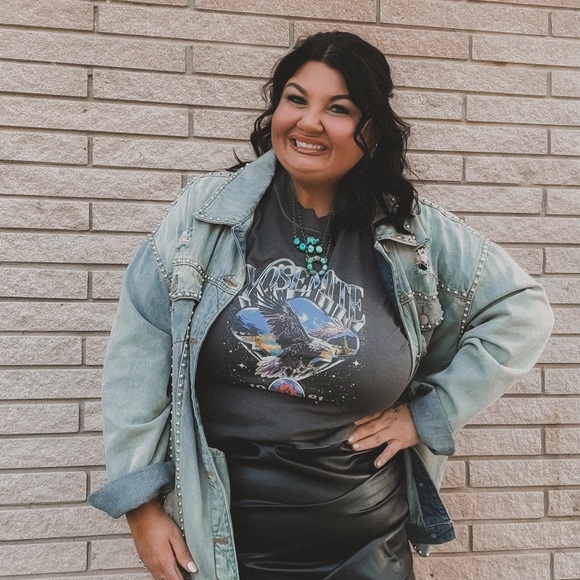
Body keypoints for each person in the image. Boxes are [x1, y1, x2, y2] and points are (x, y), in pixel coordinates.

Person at [89, 31, 553, 580]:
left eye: (338, 108)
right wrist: (141, 507)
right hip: (223, 540)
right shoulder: (205, 215)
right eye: (296, 99)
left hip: (367, 545)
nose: (309, 122)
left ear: (371, 129)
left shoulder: (413, 232)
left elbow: (522, 309)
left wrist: (430, 414)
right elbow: (139, 350)